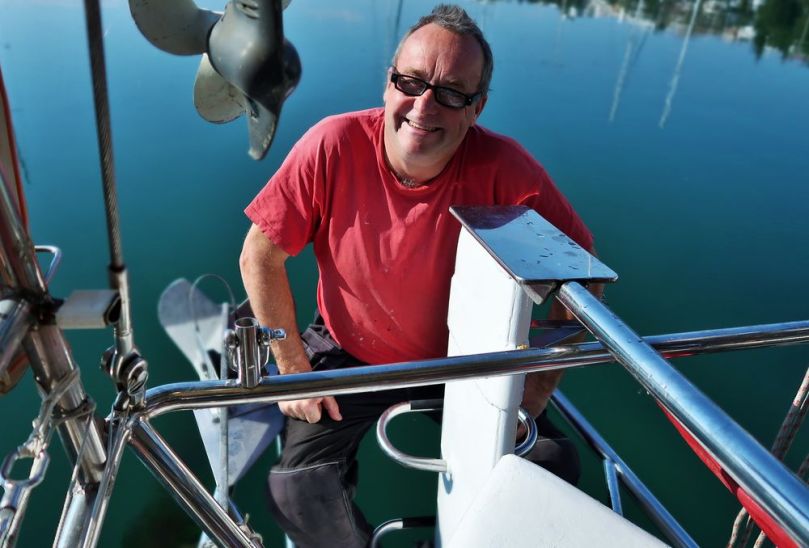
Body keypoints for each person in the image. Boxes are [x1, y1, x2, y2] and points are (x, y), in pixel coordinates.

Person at [240, 5, 600, 547]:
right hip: (347, 350)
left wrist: (538, 383)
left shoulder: (505, 170)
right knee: (298, 491)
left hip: (461, 362)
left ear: (476, 108)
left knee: (549, 465)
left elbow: (582, 268)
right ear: (388, 84)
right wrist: (290, 363)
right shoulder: (333, 145)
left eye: (451, 92)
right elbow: (259, 256)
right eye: (410, 82)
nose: (424, 105)